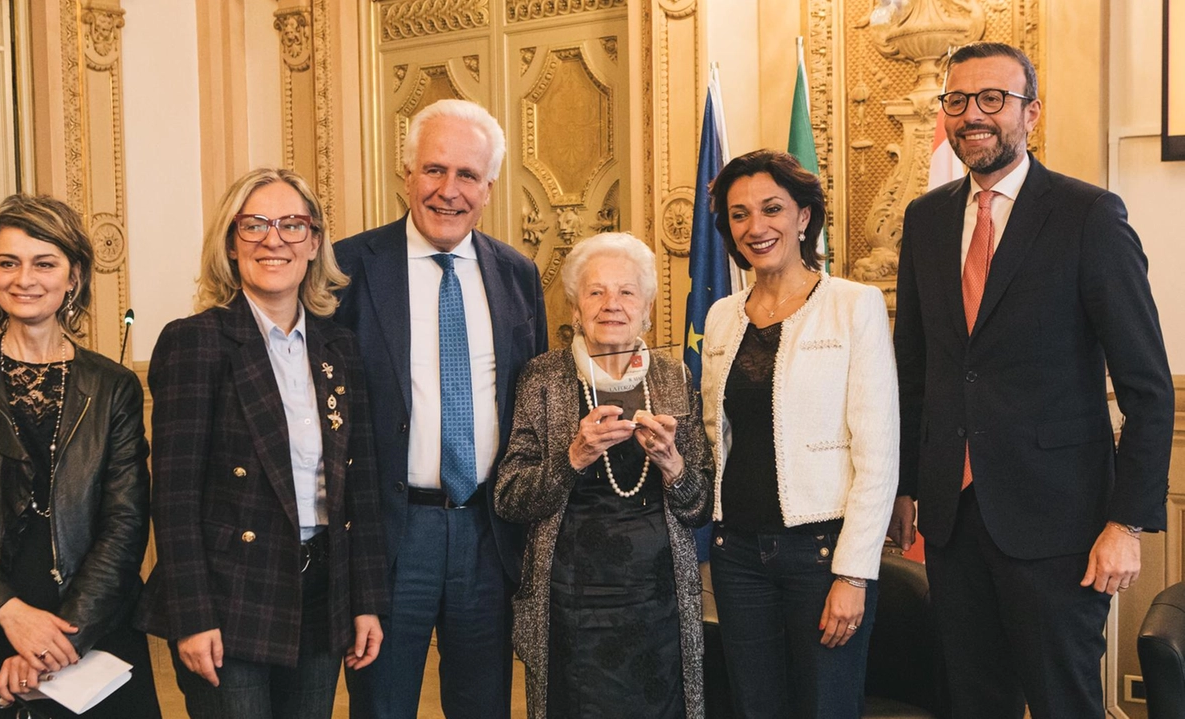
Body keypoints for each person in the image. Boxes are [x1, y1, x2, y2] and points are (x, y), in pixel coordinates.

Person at [889, 42, 1174, 719]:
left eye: (993, 99)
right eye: (957, 101)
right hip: (952, 523)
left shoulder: (1088, 216)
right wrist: (904, 484)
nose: (972, 115)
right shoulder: (925, 221)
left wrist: (1126, 522)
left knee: (1062, 701)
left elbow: (1148, 388)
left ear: (1031, 113)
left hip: (1061, 526)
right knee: (970, 701)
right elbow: (916, 368)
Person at [135, 168, 389, 719]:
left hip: (321, 595)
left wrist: (365, 601)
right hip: (230, 599)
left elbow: (360, 491)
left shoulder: (339, 348)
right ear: (231, 243)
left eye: (292, 225)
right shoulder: (195, 342)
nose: (274, 239)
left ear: (315, 242)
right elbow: (173, 500)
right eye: (254, 225)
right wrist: (193, 614)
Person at [334, 98, 549, 719]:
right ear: (406, 176)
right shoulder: (348, 268)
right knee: (383, 706)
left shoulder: (517, 274)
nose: (448, 191)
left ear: (489, 188)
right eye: (433, 170)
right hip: (392, 535)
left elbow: (529, 406)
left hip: (488, 532)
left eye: (467, 176)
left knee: (483, 704)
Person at [0, 194, 160, 718]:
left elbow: (126, 521)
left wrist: (57, 640)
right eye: (9, 262)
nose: (25, 278)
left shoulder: (113, 386)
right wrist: (9, 613)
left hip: (91, 618)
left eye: (44, 263)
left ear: (73, 277)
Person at [700, 150, 899, 718]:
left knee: (826, 708)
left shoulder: (853, 305)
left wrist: (854, 574)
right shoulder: (721, 315)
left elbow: (878, 453)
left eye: (771, 209)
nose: (756, 228)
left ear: (804, 216)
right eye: (739, 215)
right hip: (735, 554)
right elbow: (716, 434)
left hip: (820, 556)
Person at [495, 232, 713, 719]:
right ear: (574, 309)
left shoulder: (673, 378)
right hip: (572, 603)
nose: (611, 304)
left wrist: (674, 466)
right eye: (596, 292)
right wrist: (571, 457)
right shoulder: (543, 377)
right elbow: (509, 498)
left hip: (659, 602)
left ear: (648, 309)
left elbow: (699, 507)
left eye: (627, 292)